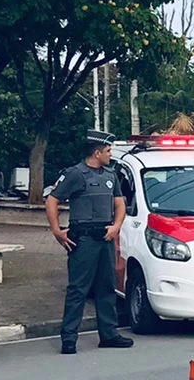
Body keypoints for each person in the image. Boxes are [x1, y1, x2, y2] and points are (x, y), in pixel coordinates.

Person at [45, 130, 134, 352]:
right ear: (96, 152)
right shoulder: (76, 174)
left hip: (104, 237)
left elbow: (120, 204)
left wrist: (116, 227)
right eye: (108, 151)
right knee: (78, 289)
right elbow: (52, 200)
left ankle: (109, 334)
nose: (111, 155)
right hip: (83, 239)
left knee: (107, 287)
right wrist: (57, 231)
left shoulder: (110, 175)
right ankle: (69, 339)